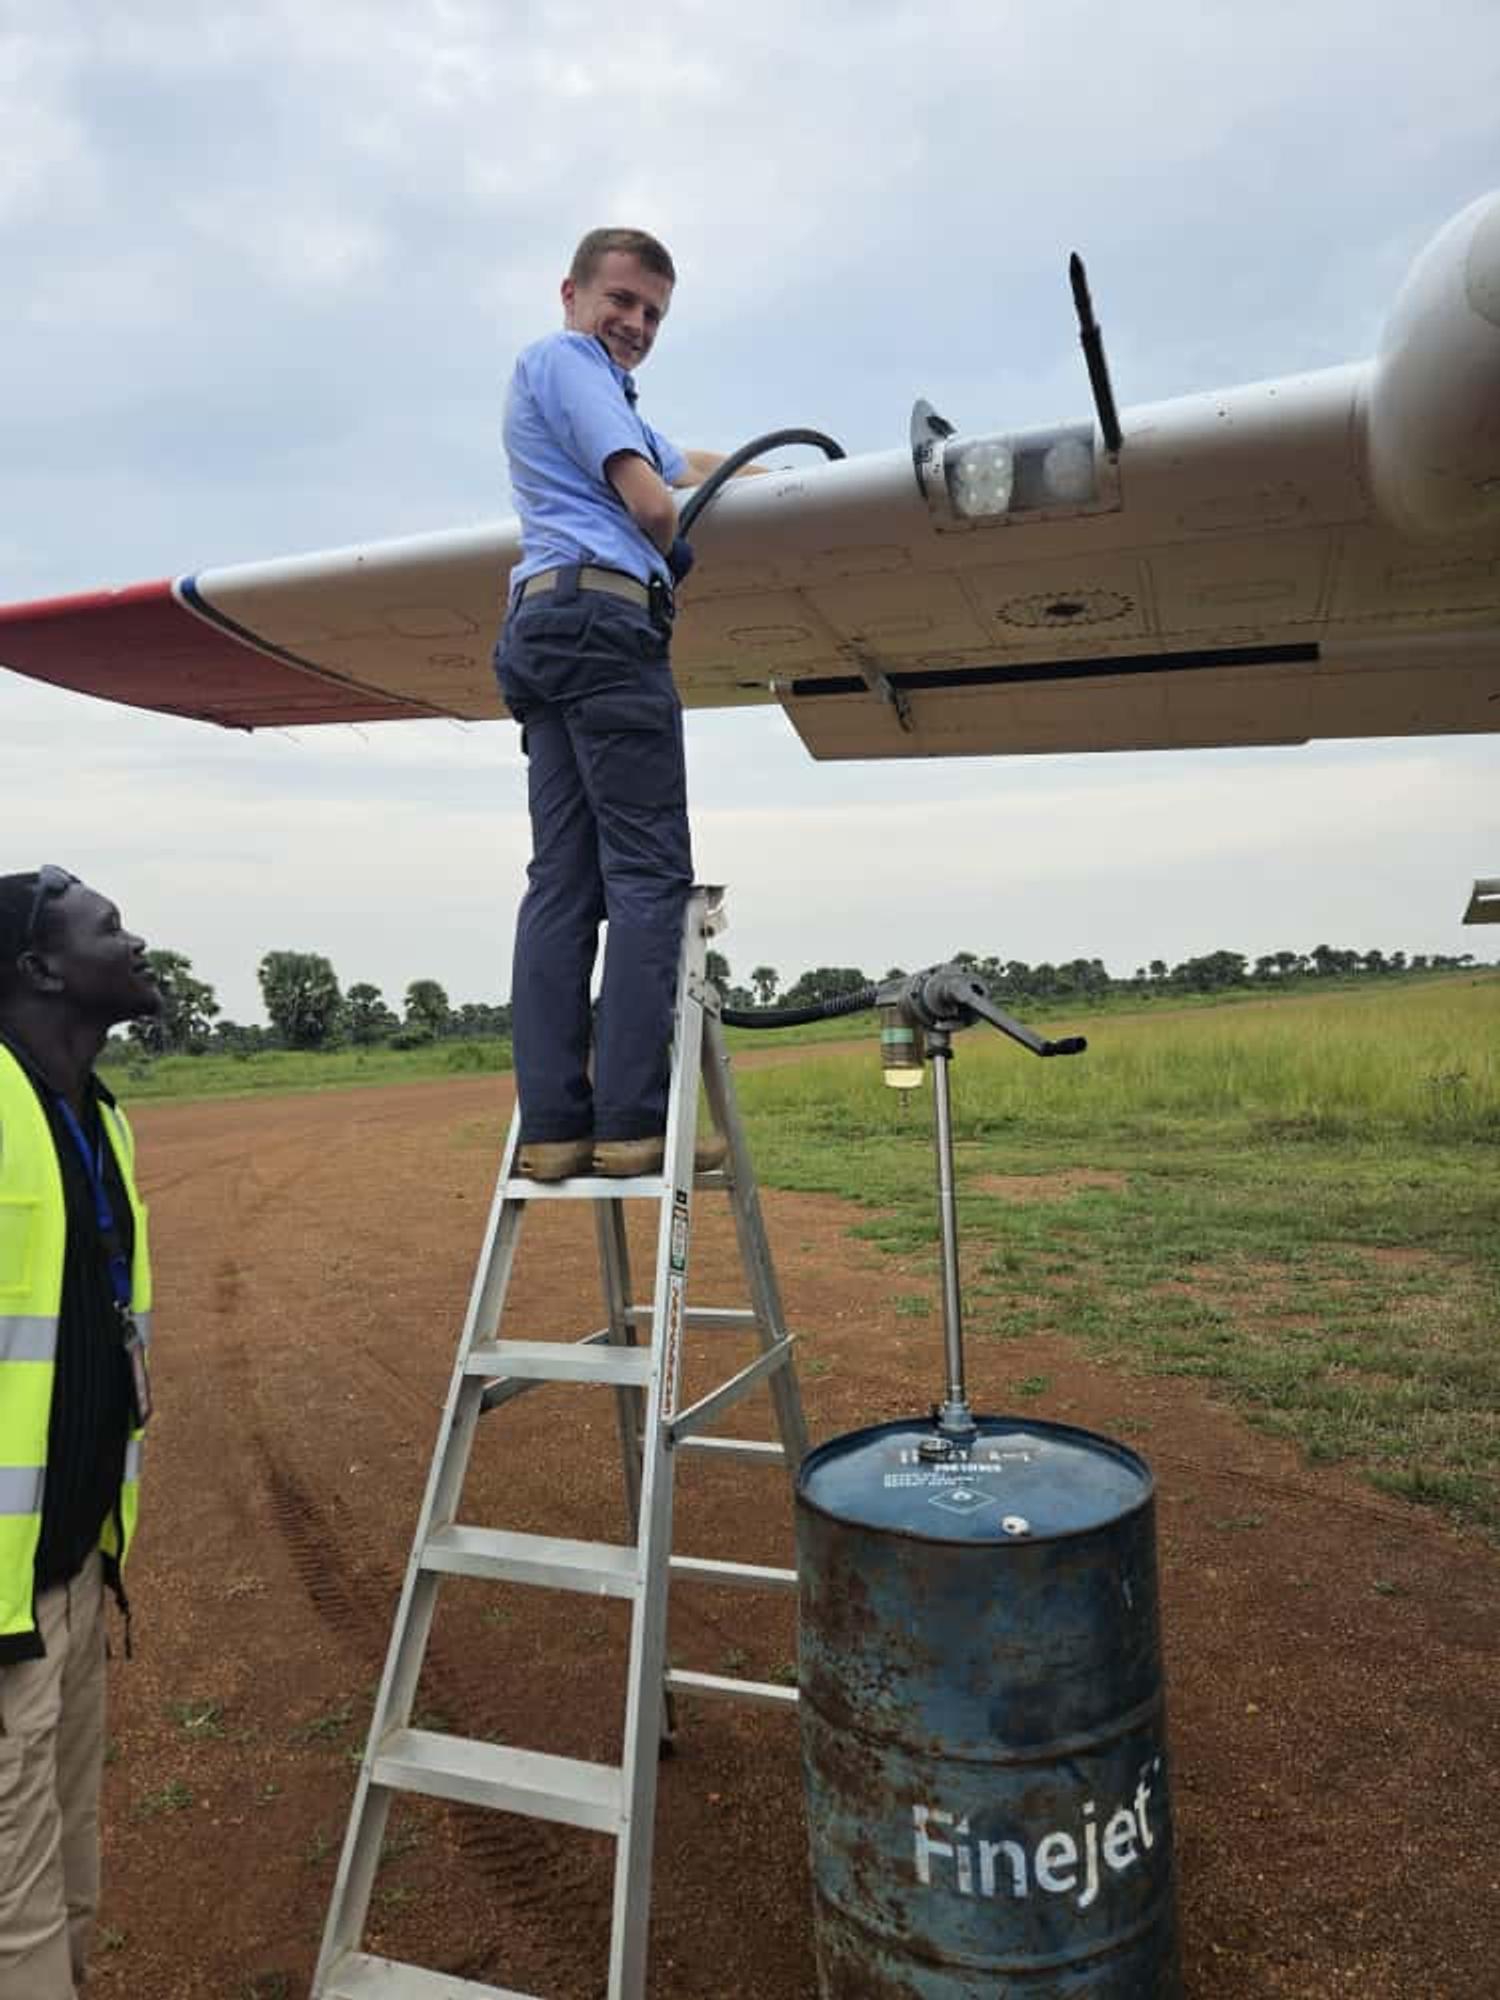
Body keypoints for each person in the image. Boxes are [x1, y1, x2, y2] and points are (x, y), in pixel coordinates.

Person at [494, 226, 753, 1181]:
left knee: (564, 882)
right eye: (621, 300)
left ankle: (555, 1128)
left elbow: (683, 461)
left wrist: (773, 476)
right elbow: (652, 502)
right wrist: (673, 553)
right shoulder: (567, 361)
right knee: (647, 876)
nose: (636, 323)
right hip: (605, 629)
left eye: (653, 313)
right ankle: (635, 1120)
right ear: (571, 294)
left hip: (542, 631)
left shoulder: (595, 392)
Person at [0, 868, 162, 1999]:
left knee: (69, 1880)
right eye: (109, 927)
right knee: (13, 1916)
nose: (135, 939)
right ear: (41, 966)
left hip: (67, 1572)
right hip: (0, 1608)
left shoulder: (99, 1118)